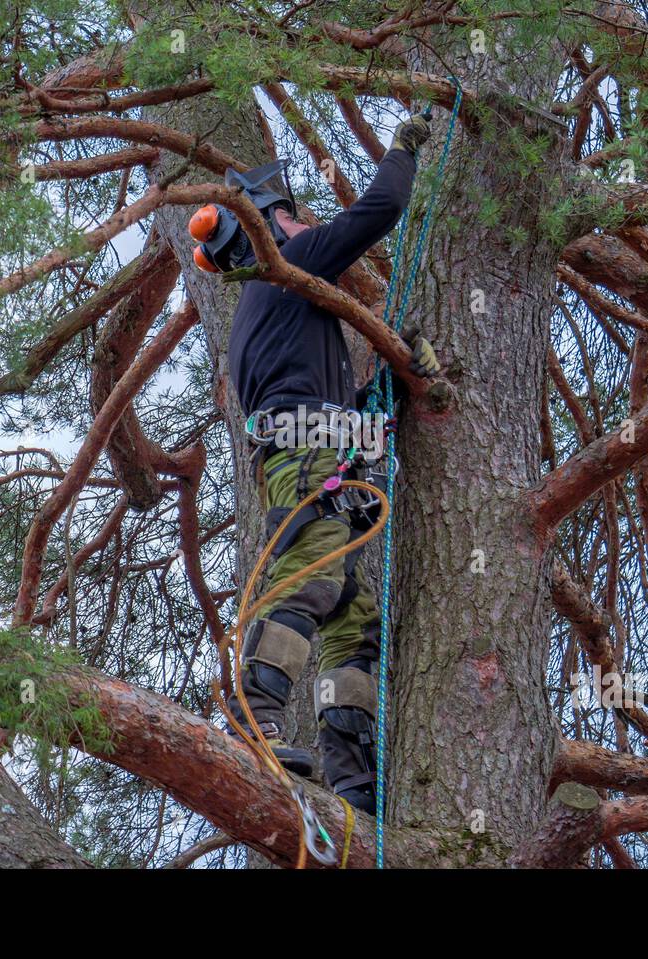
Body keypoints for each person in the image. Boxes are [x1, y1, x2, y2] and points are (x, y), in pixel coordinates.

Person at [188, 115, 440, 814]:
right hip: (307, 463)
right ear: (266, 230)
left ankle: (351, 778)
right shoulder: (286, 270)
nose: (306, 228)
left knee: (353, 620)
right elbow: (381, 209)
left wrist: (399, 381)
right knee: (311, 577)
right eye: (294, 219)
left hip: (327, 458)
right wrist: (402, 149)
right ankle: (252, 714)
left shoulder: (282, 310)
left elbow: (343, 409)